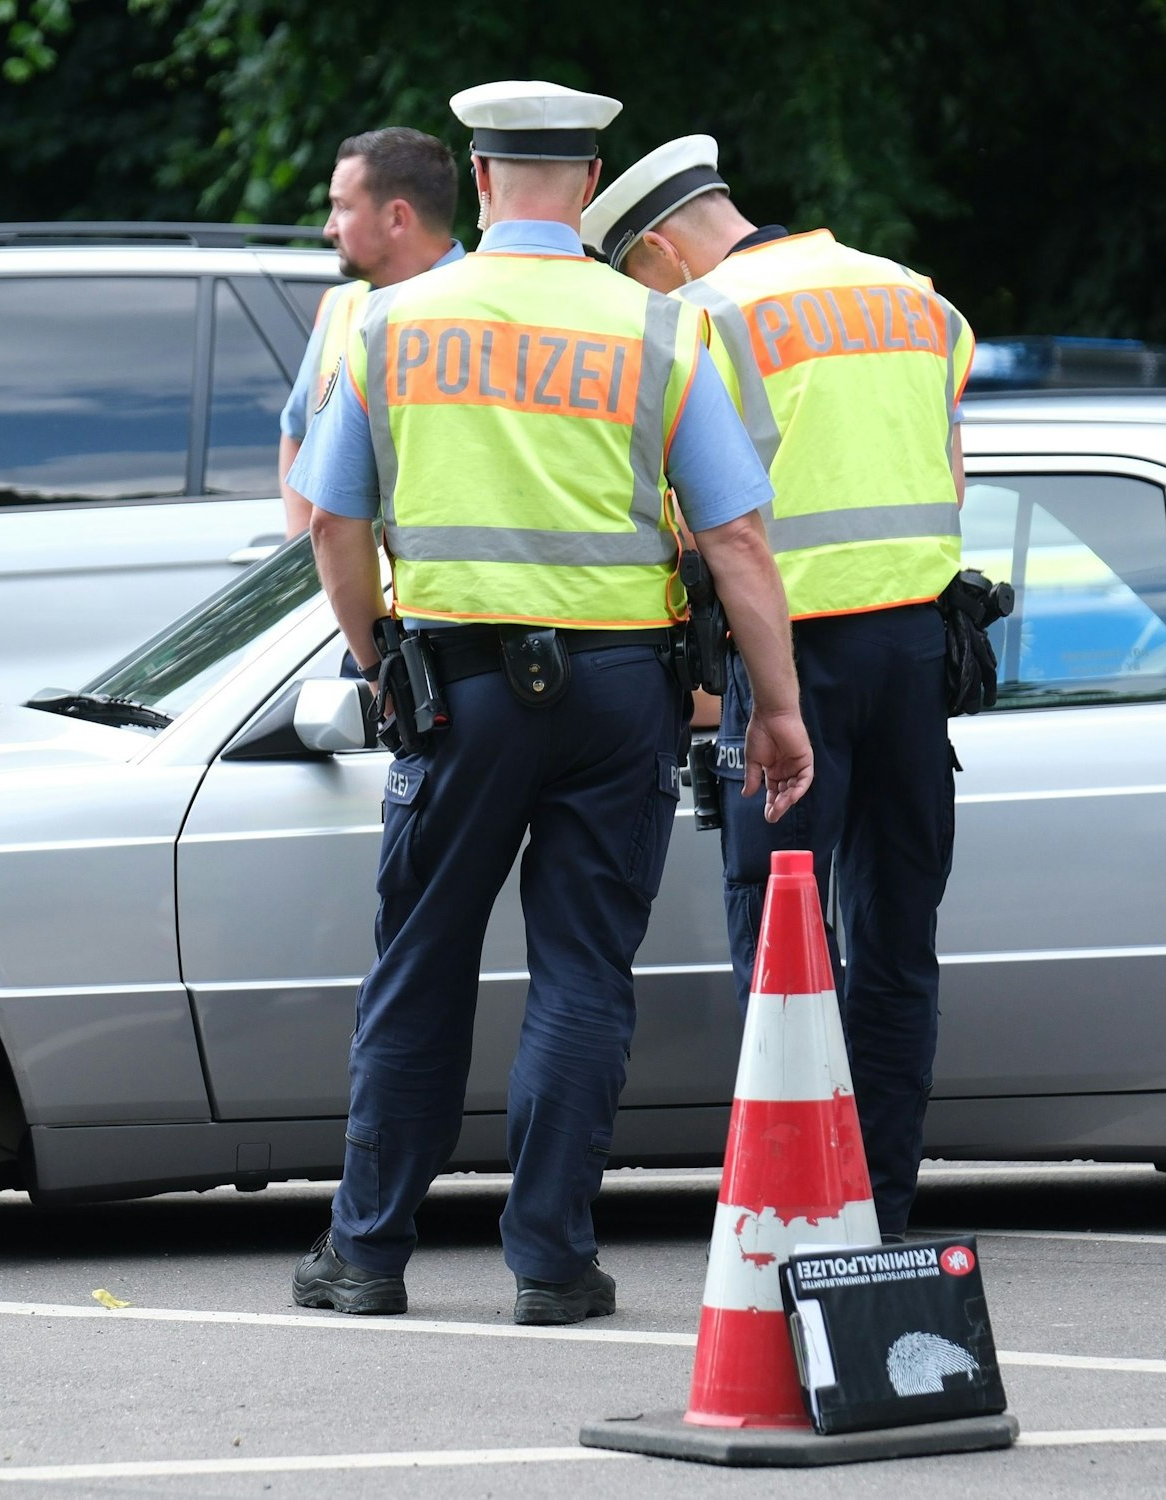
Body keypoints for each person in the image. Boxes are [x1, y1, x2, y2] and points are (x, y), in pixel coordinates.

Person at [285, 82, 814, 1325]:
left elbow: (331, 523)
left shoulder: (387, 323)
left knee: (419, 965)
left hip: (457, 692)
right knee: (582, 972)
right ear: (585, 185)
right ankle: (550, 1262)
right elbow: (736, 538)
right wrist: (777, 710)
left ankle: (365, 1255)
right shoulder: (658, 327)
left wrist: (377, 658)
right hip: (620, 694)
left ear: (477, 179)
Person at [585, 135, 975, 1239]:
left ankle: (806, 1212)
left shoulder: (700, 318)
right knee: (897, 947)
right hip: (916, 653)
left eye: (635, 273)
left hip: (788, 669)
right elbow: (950, 474)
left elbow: (695, 524)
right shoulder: (915, 298)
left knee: (782, 951)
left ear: (660, 247)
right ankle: (880, 1211)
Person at [279, 128, 464, 538]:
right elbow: (296, 435)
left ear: (397, 218)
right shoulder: (340, 306)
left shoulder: (481, 309)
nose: (329, 228)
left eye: (343, 208)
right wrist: (305, 551)